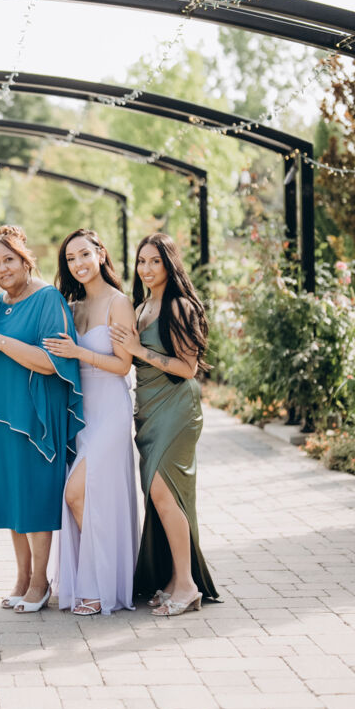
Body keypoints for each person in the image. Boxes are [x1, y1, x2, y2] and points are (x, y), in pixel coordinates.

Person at [0, 226, 83, 615]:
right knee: (12, 497)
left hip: (34, 417)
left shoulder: (47, 299)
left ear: (25, 260)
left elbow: (51, 362)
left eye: (9, 260)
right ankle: (21, 576)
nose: (2, 269)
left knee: (34, 496)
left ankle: (40, 582)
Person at [110, 232, 220, 617]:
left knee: (163, 490)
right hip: (148, 410)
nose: (147, 268)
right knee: (161, 496)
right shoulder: (141, 307)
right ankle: (175, 579)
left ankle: (187, 586)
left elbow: (188, 368)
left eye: (155, 261)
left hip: (176, 407)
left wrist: (139, 350)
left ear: (169, 264)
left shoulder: (180, 307)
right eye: (142, 261)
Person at [43, 229, 138, 616]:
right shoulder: (71, 305)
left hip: (111, 409)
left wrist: (79, 352)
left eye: (84, 254)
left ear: (100, 254)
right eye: (70, 258)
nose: (78, 263)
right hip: (81, 413)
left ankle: (100, 585)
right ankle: (95, 582)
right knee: (89, 496)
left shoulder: (119, 303)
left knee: (76, 493)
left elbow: (124, 365)